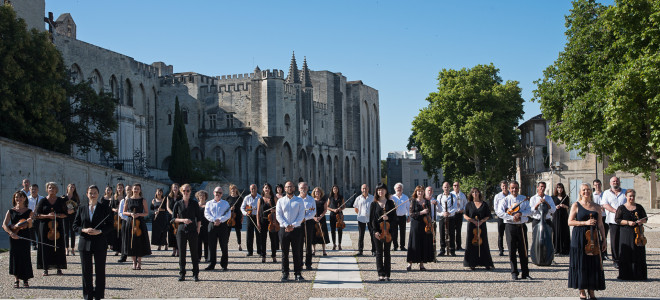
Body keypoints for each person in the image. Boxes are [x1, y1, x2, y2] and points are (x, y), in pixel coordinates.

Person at [72, 185, 113, 300]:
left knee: (100, 271)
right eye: (90, 193)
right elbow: (75, 226)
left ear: (98, 194)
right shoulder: (81, 208)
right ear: (87, 194)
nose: (93, 195)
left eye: (95, 193)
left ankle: (99, 296)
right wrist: (84, 230)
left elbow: (110, 225)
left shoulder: (104, 208)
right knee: (86, 272)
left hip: (100, 242)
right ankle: (88, 296)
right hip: (84, 243)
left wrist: (99, 231)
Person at [567, 183, 606, 300]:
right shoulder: (576, 205)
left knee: (593, 263)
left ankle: (592, 290)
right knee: (581, 262)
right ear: (580, 192)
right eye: (584, 190)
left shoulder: (597, 206)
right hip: (579, 236)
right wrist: (585, 223)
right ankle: (582, 289)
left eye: (588, 189)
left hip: (593, 237)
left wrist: (604, 239)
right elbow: (570, 222)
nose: (586, 192)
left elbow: (600, 224)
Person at [496, 181, 531, 280]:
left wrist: (520, 214)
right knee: (512, 251)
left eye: (516, 188)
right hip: (510, 226)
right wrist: (512, 217)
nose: (514, 190)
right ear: (509, 189)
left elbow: (530, 211)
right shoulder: (505, 200)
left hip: (521, 226)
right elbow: (499, 212)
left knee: (523, 251)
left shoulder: (523, 199)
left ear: (518, 188)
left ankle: (525, 273)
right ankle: (514, 273)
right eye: (512, 188)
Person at [3, 191, 34, 288]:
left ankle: (25, 279)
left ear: (25, 198)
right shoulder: (10, 211)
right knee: (15, 257)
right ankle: (16, 279)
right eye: (17, 197)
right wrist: (11, 233)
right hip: (14, 236)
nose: (18, 199)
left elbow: (30, 226)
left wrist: (29, 221)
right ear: (14, 199)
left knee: (25, 256)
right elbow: (4, 224)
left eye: (21, 197)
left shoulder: (29, 211)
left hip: (25, 236)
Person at [35, 182, 67, 275]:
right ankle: (45, 268)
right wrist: (47, 215)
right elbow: (37, 215)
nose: (51, 189)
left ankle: (59, 267)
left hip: (58, 227)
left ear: (56, 190)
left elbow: (66, 214)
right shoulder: (43, 201)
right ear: (46, 189)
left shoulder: (61, 201)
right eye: (49, 188)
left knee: (58, 246)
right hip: (45, 227)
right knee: (45, 247)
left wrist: (57, 215)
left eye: (53, 188)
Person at [276, 181, 305, 282]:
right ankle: (285, 273)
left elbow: (301, 215)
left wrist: (293, 225)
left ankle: (298, 273)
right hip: (284, 230)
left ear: (294, 188)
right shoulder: (280, 201)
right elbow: (278, 215)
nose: (289, 188)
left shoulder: (299, 201)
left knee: (296, 252)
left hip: (296, 229)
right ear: (284, 189)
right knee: (284, 253)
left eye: (291, 187)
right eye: (288, 187)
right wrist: (286, 225)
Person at [615, 189, 647, 280]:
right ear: (626, 196)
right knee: (627, 252)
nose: (631, 198)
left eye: (633, 196)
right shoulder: (621, 208)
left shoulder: (639, 207)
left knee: (638, 252)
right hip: (626, 233)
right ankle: (626, 274)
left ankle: (639, 274)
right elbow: (617, 220)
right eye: (630, 196)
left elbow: (645, 218)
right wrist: (628, 222)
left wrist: (641, 221)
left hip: (638, 233)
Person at [173, 184, 202, 281]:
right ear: (181, 191)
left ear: (190, 191)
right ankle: (182, 273)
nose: (186, 192)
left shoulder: (194, 203)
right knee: (182, 253)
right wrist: (182, 220)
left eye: (188, 190)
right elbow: (173, 219)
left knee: (194, 252)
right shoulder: (177, 203)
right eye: (184, 190)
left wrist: (198, 228)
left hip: (193, 230)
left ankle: (195, 273)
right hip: (181, 230)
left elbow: (199, 217)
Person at [369, 183, 395, 281]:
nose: (381, 191)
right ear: (376, 191)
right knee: (379, 253)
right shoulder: (374, 204)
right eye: (379, 190)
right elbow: (371, 219)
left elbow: (394, 218)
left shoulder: (390, 203)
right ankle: (381, 273)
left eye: (382, 189)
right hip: (377, 231)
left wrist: (388, 217)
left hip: (388, 231)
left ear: (386, 191)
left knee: (387, 253)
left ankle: (387, 274)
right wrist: (374, 231)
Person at [463, 187, 494, 270]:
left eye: (476, 192)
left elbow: (488, 215)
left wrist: (482, 221)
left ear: (479, 193)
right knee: (471, 244)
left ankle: (486, 262)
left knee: (484, 243)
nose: (475, 194)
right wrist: (472, 221)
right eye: (473, 192)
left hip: (481, 225)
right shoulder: (469, 204)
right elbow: (465, 215)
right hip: (472, 226)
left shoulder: (484, 204)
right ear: (471, 194)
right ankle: (471, 263)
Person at [406, 186, 434, 271]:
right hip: (415, 224)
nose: (420, 193)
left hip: (425, 224)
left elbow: (429, 213)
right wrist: (421, 212)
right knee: (414, 243)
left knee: (423, 243)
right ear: (416, 192)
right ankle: (409, 263)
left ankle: (421, 264)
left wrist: (429, 221)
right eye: (418, 191)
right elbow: (411, 214)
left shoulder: (427, 201)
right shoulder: (413, 201)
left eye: (422, 191)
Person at [124, 183, 151, 270]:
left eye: (137, 189)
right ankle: (133, 261)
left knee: (139, 242)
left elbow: (146, 212)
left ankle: (139, 261)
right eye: (135, 188)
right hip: (130, 222)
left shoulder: (143, 200)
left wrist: (139, 214)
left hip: (140, 223)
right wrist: (131, 214)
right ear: (132, 189)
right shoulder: (128, 200)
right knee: (130, 242)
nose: (136, 190)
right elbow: (124, 212)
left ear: (140, 190)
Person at [601, 176, 626, 268]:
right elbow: (605, 204)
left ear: (619, 182)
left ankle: (624, 258)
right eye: (613, 181)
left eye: (617, 181)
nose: (615, 182)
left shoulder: (625, 192)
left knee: (624, 240)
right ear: (610, 183)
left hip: (624, 220)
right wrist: (615, 211)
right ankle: (616, 260)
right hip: (612, 220)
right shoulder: (606, 193)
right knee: (614, 241)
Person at [204, 186, 231, 271]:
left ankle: (224, 264)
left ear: (222, 194)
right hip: (212, 225)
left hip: (222, 225)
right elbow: (206, 214)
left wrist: (220, 220)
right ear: (213, 193)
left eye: (220, 193)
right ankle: (212, 264)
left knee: (224, 245)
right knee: (212, 246)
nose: (218, 194)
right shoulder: (209, 203)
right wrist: (214, 220)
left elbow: (228, 214)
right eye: (216, 192)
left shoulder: (225, 203)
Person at [529, 181, 556, 265]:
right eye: (541, 187)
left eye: (544, 187)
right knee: (536, 238)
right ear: (537, 187)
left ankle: (549, 257)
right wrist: (538, 204)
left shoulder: (549, 198)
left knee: (549, 239)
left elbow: (553, 210)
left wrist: (546, 203)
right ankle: (537, 256)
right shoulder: (533, 198)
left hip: (547, 220)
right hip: (537, 220)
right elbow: (530, 211)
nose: (542, 188)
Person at [257, 183, 280, 263]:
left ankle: (274, 255)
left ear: (270, 189)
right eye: (265, 188)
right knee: (263, 239)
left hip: (272, 221)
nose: (267, 189)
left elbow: (279, 209)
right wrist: (258, 223)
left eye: (268, 188)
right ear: (263, 189)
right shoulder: (260, 199)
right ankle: (263, 255)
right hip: (263, 220)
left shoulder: (274, 198)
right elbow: (258, 212)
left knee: (273, 239)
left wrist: (274, 210)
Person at [241, 184, 262, 257]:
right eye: (252, 188)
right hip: (249, 217)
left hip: (257, 217)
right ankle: (250, 251)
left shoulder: (260, 197)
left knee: (259, 234)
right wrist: (245, 213)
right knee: (249, 235)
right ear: (250, 190)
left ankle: (260, 251)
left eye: (254, 188)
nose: (253, 190)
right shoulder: (247, 198)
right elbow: (242, 208)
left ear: (257, 189)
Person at [161, 183, 182, 257]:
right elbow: (167, 207)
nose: (175, 189)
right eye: (174, 187)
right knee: (171, 233)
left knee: (179, 233)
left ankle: (179, 251)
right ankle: (173, 251)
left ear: (178, 188)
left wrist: (178, 214)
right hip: (171, 217)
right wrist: (173, 214)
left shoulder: (181, 197)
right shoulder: (169, 197)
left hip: (179, 216)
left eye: (176, 187)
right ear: (172, 188)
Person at [299, 181, 316, 268]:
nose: (303, 189)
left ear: (307, 188)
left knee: (308, 243)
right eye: (302, 188)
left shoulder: (311, 199)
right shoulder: (296, 199)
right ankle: (300, 262)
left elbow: (313, 211)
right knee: (299, 243)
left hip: (308, 222)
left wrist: (305, 218)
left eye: (305, 188)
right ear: (299, 189)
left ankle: (308, 263)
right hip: (298, 223)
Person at [353, 184, 373, 256]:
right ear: (361, 189)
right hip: (361, 218)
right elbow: (355, 208)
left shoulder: (372, 198)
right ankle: (360, 250)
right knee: (361, 235)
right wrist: (360, 213)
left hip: (370, 219)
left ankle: (374, 250)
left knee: (372, 235)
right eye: (363, 188)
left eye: (366, 188)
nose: (365, 190)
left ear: (368, 189)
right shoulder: (358, 198)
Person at [437, 182, 457, 256]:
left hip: (451, 217)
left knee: (452, 234)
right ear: (442, 188)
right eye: (445, 187)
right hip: (442, 217)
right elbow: (437, 208)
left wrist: (449, 213)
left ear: (450, 188)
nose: (446, 189)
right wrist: (443, 213)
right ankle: (442, 250)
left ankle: (452, 250)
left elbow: (455, 207)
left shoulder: (453, 196)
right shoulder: (439, 196)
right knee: (442, 234)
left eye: (447, 187)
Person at [592, 179, 609, 260]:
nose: (597, 186)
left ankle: (605, 253)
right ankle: (597, 252)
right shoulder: (592, 195)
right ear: (593, 186)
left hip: (604, 216)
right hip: (596, 216)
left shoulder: (605, 194)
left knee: (604, 235)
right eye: (595, 185)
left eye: (598, 184)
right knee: (596, 235)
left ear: (601, 185)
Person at [552, 182, 570, 255]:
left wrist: (563, 205)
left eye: (561, 188)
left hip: (563, 216)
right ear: (556, 189)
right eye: (558, 188)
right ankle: (557, 249)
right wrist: (555, 207)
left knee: (564, 231)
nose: (560, 189)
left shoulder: (566, 197)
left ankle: (565, 249)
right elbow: (551, 207)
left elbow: (568, 207)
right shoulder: (552, 197)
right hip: (556, 216)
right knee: (556, 231)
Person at [391, 183, 409, 251]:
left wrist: (408, 216)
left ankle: (402, 246)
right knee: (394, 232)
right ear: (395, 189)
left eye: (400, 187)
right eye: (398, 188)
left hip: (402, 217)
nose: (399, 189)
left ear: (402, 189)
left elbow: (408, 207)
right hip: (394, 217)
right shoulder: (392, 197)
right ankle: (395, 246)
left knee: (402, 232)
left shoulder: (405, 197)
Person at [311, 187, 329, 256]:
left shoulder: (323, 201)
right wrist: (314, 217)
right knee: (313, 234)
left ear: (320, 192)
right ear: (314, 193)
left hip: (321, 219)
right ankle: (313, 250)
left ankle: (324, 251)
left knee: (323, 234)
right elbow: (310, 210)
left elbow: (325, 210)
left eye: (318, 191)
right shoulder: (312, 201)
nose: (317, 193)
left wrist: (321, 216)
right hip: (314, 219)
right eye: (316, 191)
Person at [225, 184, 244, 251]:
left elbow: (242, 208)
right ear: (230, 190)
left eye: (234, 188)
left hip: (238, 216)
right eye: (232, 189)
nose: (233, 190)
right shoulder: (228, 198)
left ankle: (239, 244)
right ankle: (226, 244)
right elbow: (225, 209)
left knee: (238, 231)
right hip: (230, 217)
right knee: (228, 231)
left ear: (236, 189)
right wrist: (230, 208)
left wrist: (242, 217)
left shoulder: (240, 198)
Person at [493, 180, 509, 256]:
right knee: (500, 234)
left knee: (510, 234)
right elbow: (495, 208)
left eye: (506, 186)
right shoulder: (498, 196)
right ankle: (501, 250)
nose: (504, 187)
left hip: (509, 217)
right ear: (501, 187)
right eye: (503, 186)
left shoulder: (511, 195)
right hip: (501, 217)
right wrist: (501, 214)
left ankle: (511, 249)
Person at [64, 183, 80, 256]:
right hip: (65, 216)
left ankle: (73, 249)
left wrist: (73, 210)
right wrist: (66, 211)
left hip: (73, 216)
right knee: (66, 233)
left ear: (74, 189)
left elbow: (78, 206)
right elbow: (61, 206)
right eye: (70, 186)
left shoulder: (76, 198)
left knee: (73, 232)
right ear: (67, 188)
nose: (71, 188)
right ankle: (66, 248)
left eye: (73, 187)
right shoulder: (63, 197)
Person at [327, 185, 345, 251]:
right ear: (332, 190)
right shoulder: (330, 197)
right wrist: (333, 210)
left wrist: (340, 208)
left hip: (340, 215)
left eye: (336, 188)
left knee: (340, 229)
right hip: (332, 215)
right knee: (333, 230)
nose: (335, 190)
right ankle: (334, 244)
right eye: (334, 189)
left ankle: (339, 244)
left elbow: (344, 206)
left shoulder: (341, 197)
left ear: (338, 190)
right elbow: (327, 206)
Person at [109, 183, 124, 259]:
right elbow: (111, 207)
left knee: (122, 233)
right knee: (115, 233)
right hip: (115, 217)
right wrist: (115, 209)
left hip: (123, 217)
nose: (120, 189)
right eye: (118, 188)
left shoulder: (125, 197)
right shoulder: (114, 197)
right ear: (117, 189)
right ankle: (117, 249)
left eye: (121, 188)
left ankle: (122, 249)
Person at [27, 184, 44, 250]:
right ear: (29, 190)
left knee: (39, 232)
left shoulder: (42, 198)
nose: (33, 190)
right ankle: (34, 245)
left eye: (35, 189)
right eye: (32, 189)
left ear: (38, 190)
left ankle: (40, 244)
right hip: (30, 218)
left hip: (39, 218)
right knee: (31, 232)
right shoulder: (27, 199)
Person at [451, 182, 467, 251]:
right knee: (452, 231)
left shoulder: (462, 195)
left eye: (457, 185)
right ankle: (452, 246)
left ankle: (459, 246)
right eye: (454, 185)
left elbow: (466, 204)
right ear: (453, 186)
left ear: (459, 186)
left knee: (458, 230)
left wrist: (463, 209)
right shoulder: (451, 194)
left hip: (459, 214)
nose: (456, 187)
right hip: (452, 214)